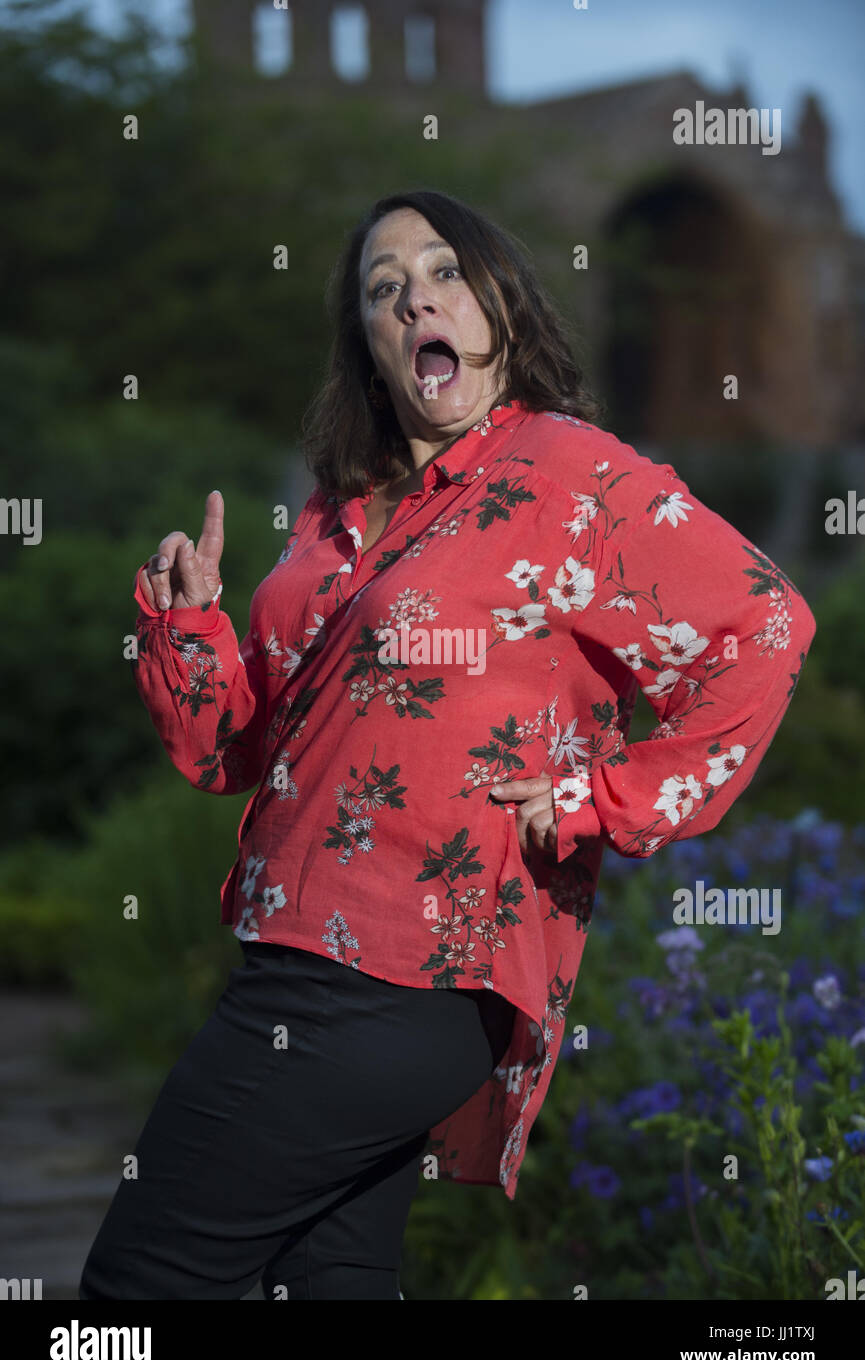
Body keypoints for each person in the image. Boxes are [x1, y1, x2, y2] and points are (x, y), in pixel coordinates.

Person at [79, 188, 816, 1301]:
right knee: (328, 1281)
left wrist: (596, 800)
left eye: (444, 273)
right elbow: (239, 747)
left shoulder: (568, 474)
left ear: (500, 313)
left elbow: (764, 626)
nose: (414, 296)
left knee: (139, 1285)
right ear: (372, 350)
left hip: (399, 975)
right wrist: (189, 627)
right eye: (384, 289)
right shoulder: (342, 510)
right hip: (303, 955)